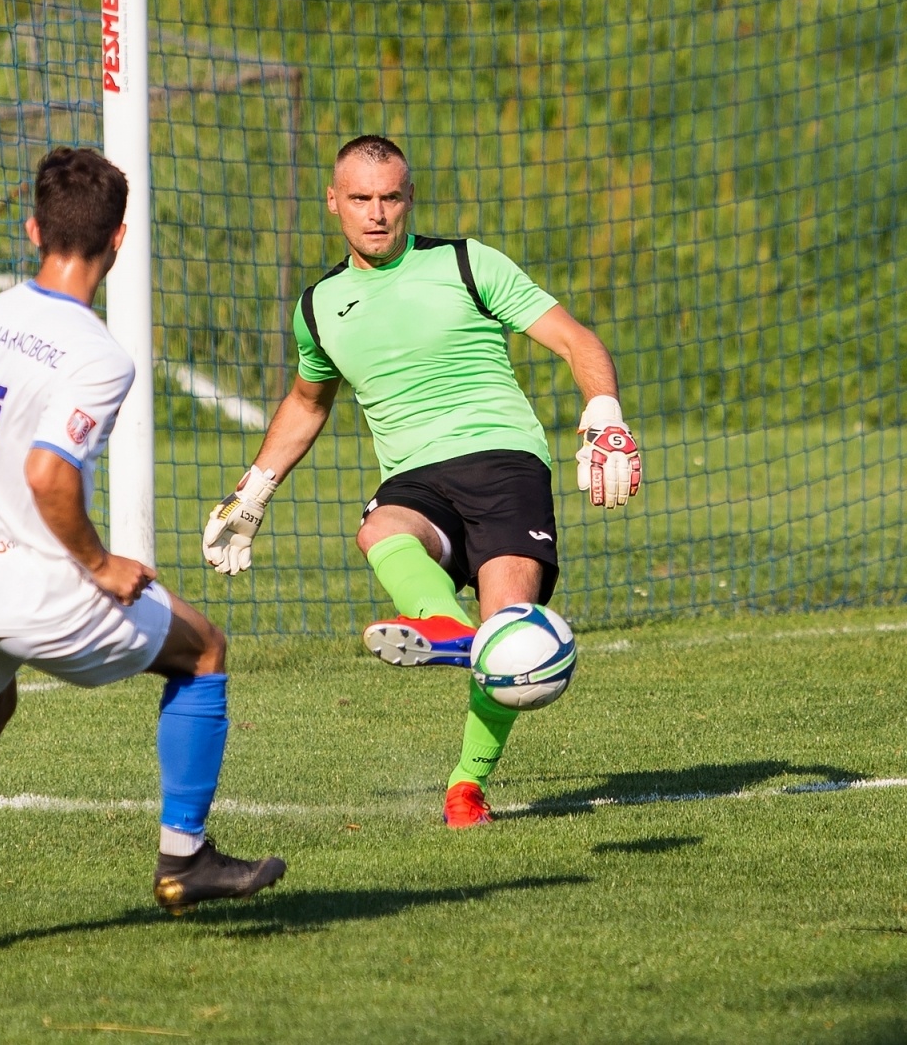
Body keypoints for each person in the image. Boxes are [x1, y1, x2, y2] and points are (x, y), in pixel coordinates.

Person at [0, 146, 285, 962]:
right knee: (203, 651)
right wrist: (100, 565)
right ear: (120, 241)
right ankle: (184, 857)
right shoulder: (99, 354)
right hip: (39, 589)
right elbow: (49, 472)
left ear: (32, 230)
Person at [201, 134, 640, 828]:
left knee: (510, 636)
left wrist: (604, 416)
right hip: (414, 477)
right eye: (360, 199)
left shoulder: (467, 263)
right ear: (333, 202)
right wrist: (254, 489)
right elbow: (307, 403)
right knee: (380, 525)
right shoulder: (319, 305)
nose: (376, 214)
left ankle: (466, 786)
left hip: (504, 462)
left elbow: (575, 340)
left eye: (390, 198)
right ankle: (444, 625)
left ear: (408, 198)